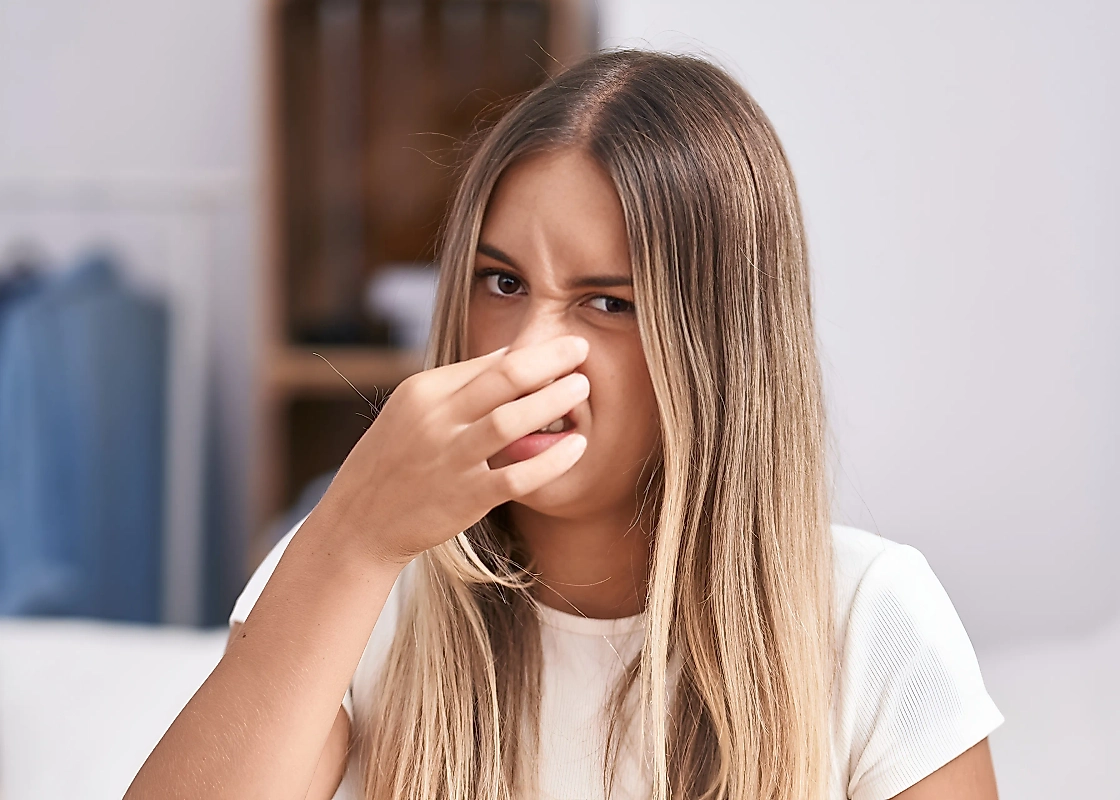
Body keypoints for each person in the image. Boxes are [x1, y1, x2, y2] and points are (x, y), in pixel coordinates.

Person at [127, 49, 1003, 800]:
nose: (526, 354)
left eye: (608, 302)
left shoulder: (869, 618)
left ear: (720, 348)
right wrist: (350, 537)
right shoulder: (357, 586)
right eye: (502, 283)